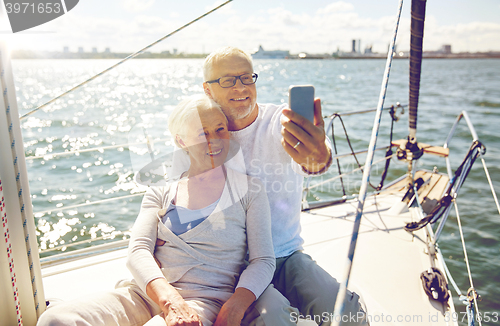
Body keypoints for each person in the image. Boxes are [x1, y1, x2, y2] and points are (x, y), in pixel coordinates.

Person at [37, 95, 296, 326]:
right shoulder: (160, 190)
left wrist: (235, 305)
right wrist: (170, 300)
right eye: (203, 133)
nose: (215, 140)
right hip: (148, 294)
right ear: (181, 141)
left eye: (220, 129)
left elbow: (262, 260)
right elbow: (138, 251)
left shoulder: (250, 190)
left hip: (205, 300)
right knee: (55, 319)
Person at [199, 46, 367, 325]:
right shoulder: (203, 132)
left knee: (345, 312)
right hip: (233, 265)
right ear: (208, 89)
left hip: (286, 255)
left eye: (246, 77)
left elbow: (316, 159)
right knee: (274, 318)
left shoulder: (281, 121)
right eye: (228, 80)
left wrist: (318, 157)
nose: (241, 87)